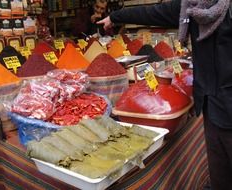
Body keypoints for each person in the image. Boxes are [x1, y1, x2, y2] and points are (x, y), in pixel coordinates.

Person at [98, 1, 232, 190]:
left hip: (226, 102)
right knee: (220, 171)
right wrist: (115, 17)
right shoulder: (193, 7)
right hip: (211, 104)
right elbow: (153, 13)